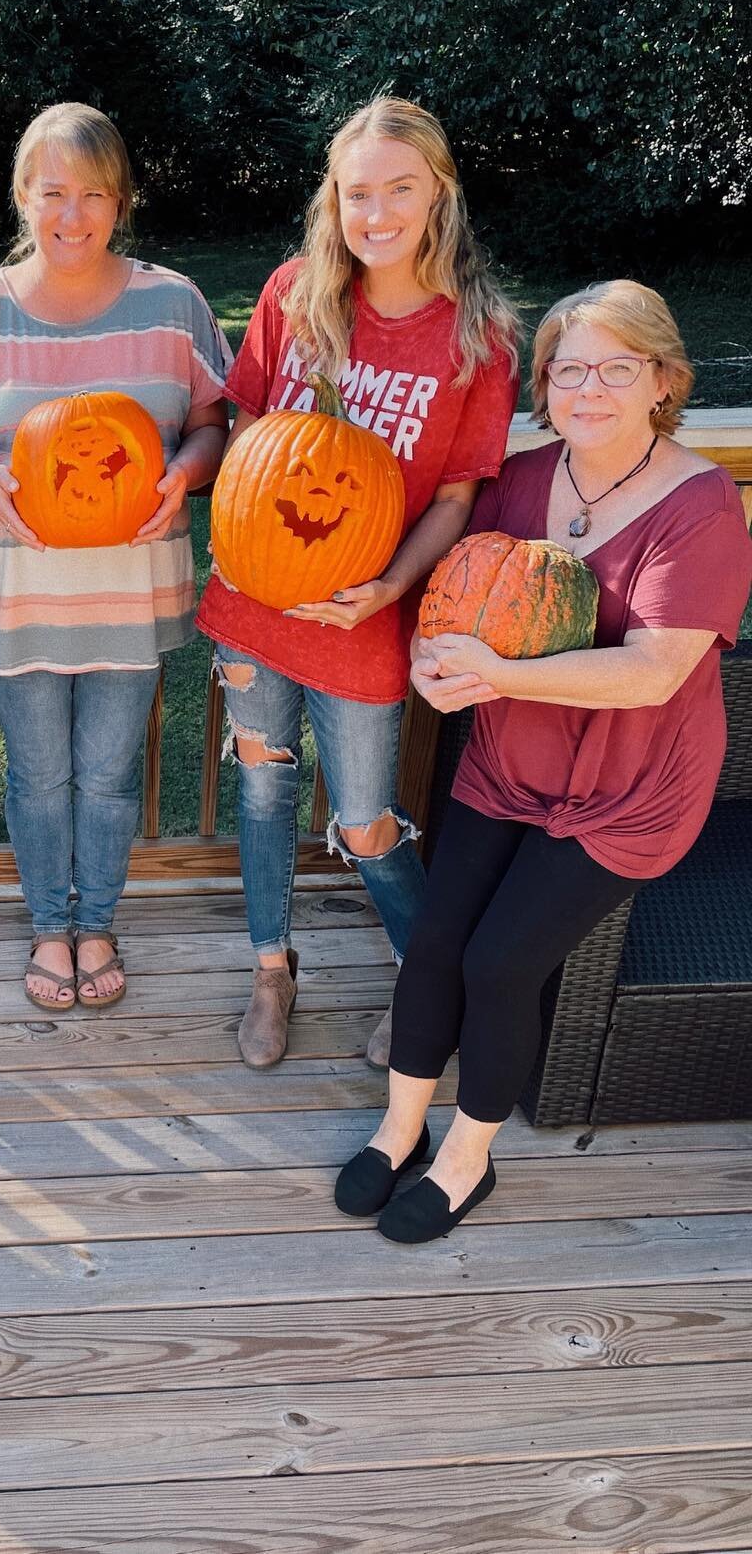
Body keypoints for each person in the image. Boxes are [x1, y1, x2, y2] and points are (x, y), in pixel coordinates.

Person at [336, 280, 752, 1241]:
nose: (589, 390)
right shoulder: (523, 482)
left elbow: (652, 673)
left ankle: (465, 1159)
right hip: (508, 762)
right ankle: (399, 1128)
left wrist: (497, 672)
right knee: (435, 941)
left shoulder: (702, 505)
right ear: (546, 386)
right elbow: (460, 603)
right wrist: (435, 664)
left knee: (498, 962)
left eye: (616, 369)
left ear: (662, 381)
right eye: (569, 370)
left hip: (630, 789)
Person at [197, 97, 520, 1070]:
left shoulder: (477, 338)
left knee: (364, 818)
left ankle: (428, 982)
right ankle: (270, 968)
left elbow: (457, 498)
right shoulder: (296, 296)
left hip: (366, 618)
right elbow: (246, 429)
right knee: (261, 789)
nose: (376, 213)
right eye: (357, 192)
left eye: (400, 190)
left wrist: (387, 590)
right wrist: (239, 543)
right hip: (254, 608)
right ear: (334, 199)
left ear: (440, 197)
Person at [0, 103, 229, 1010]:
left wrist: (184, 471)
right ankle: (48, 927)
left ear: (121, 201)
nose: (73, 213)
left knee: (108, 772)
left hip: (129, 594)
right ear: (24, 195)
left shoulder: (173, 304)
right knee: (40, 771)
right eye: (54, 191)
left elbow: (213, 423)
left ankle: (97, 918)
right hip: (21, 597)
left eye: (94, 193)